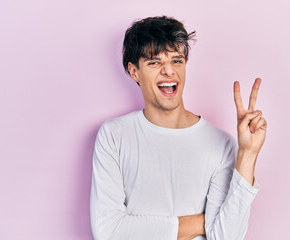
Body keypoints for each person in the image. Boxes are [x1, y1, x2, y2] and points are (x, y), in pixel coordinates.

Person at [90, 15, 267, 240]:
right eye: (155, 62)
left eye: (176, 60)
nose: (169, 71)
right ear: (134, 71)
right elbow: (109, 232)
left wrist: (248, 154)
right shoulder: (114, 136)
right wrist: (204, 221)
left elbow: (226, 236)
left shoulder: (222, 144)